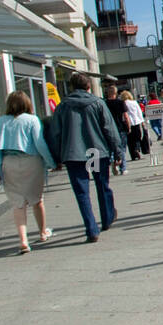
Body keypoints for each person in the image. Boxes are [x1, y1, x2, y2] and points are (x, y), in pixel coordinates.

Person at [52, 72, 121, 243]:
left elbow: (56, 133)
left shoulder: (62, 106)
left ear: (72, 87)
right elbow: (110, 129)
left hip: (74, 154)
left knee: (82, 192)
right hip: (96, 152)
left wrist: (57, 157)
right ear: (88, 86)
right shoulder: (98, 103)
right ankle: (107, 218)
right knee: (102, 185)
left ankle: (91, 229)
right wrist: (117, 151)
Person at [0, 91, 56, 254]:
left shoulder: (0, 122)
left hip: (9, 163)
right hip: (32, 162)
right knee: (37, 200)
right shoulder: (32, 120)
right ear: (27, 103)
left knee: (18, 203)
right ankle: (42, 232)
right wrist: (50, 162)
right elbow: (40, 144)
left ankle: (23, 240)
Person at [105, 82, 129, 174]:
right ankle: (123, 168)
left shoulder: (104, 103)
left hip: (108, 129)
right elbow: (126, 116)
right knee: (121, 148)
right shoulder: (120, 102)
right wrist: (128, 126)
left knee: (111, 148)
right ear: (116, 92)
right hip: (120, 127)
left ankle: (112, 162)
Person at [121, 91, 146, 158]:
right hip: (136, 122)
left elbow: (123, 115)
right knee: (137, 137)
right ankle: (137, 149)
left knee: (130, 140)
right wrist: (142, 122)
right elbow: (139, 112)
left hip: (127, 123)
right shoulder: (134, 103)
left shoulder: (123, 104)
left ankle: (133, 155)